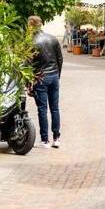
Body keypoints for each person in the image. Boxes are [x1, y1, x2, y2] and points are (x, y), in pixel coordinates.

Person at [30, 15, 63, 149]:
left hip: (41, 77)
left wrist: (30, 82)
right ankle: (56, 138)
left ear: (31, 26)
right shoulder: (53, 39)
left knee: (42, 110)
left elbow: (29, 64)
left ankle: (45, 140)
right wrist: (57, 75)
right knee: (54, 108)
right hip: (54, 75)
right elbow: (60, 59)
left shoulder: (31, 42)